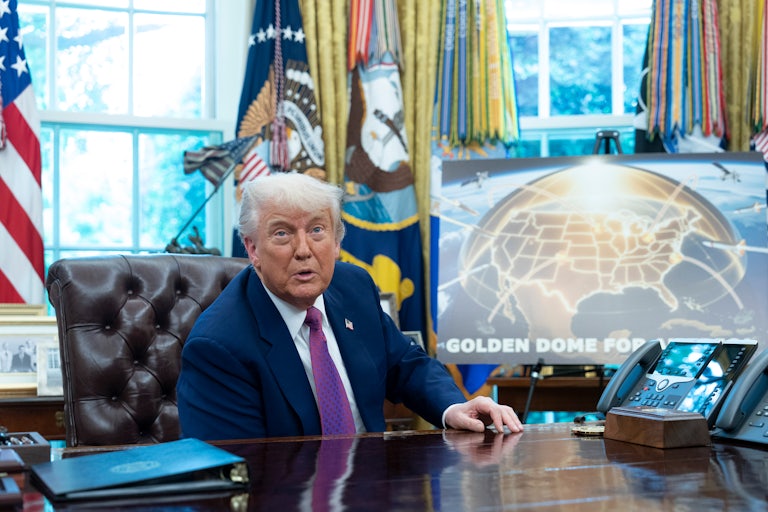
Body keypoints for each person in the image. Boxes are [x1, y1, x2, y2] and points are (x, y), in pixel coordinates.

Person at [176, 171, 523, 440]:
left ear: (338, 241)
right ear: (252, 249)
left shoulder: (353, 286)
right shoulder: (219, 347)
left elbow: (405, 363)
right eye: (282, 233)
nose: (303, 250)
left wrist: (453, 407)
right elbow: (237, 475)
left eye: (316, 230)